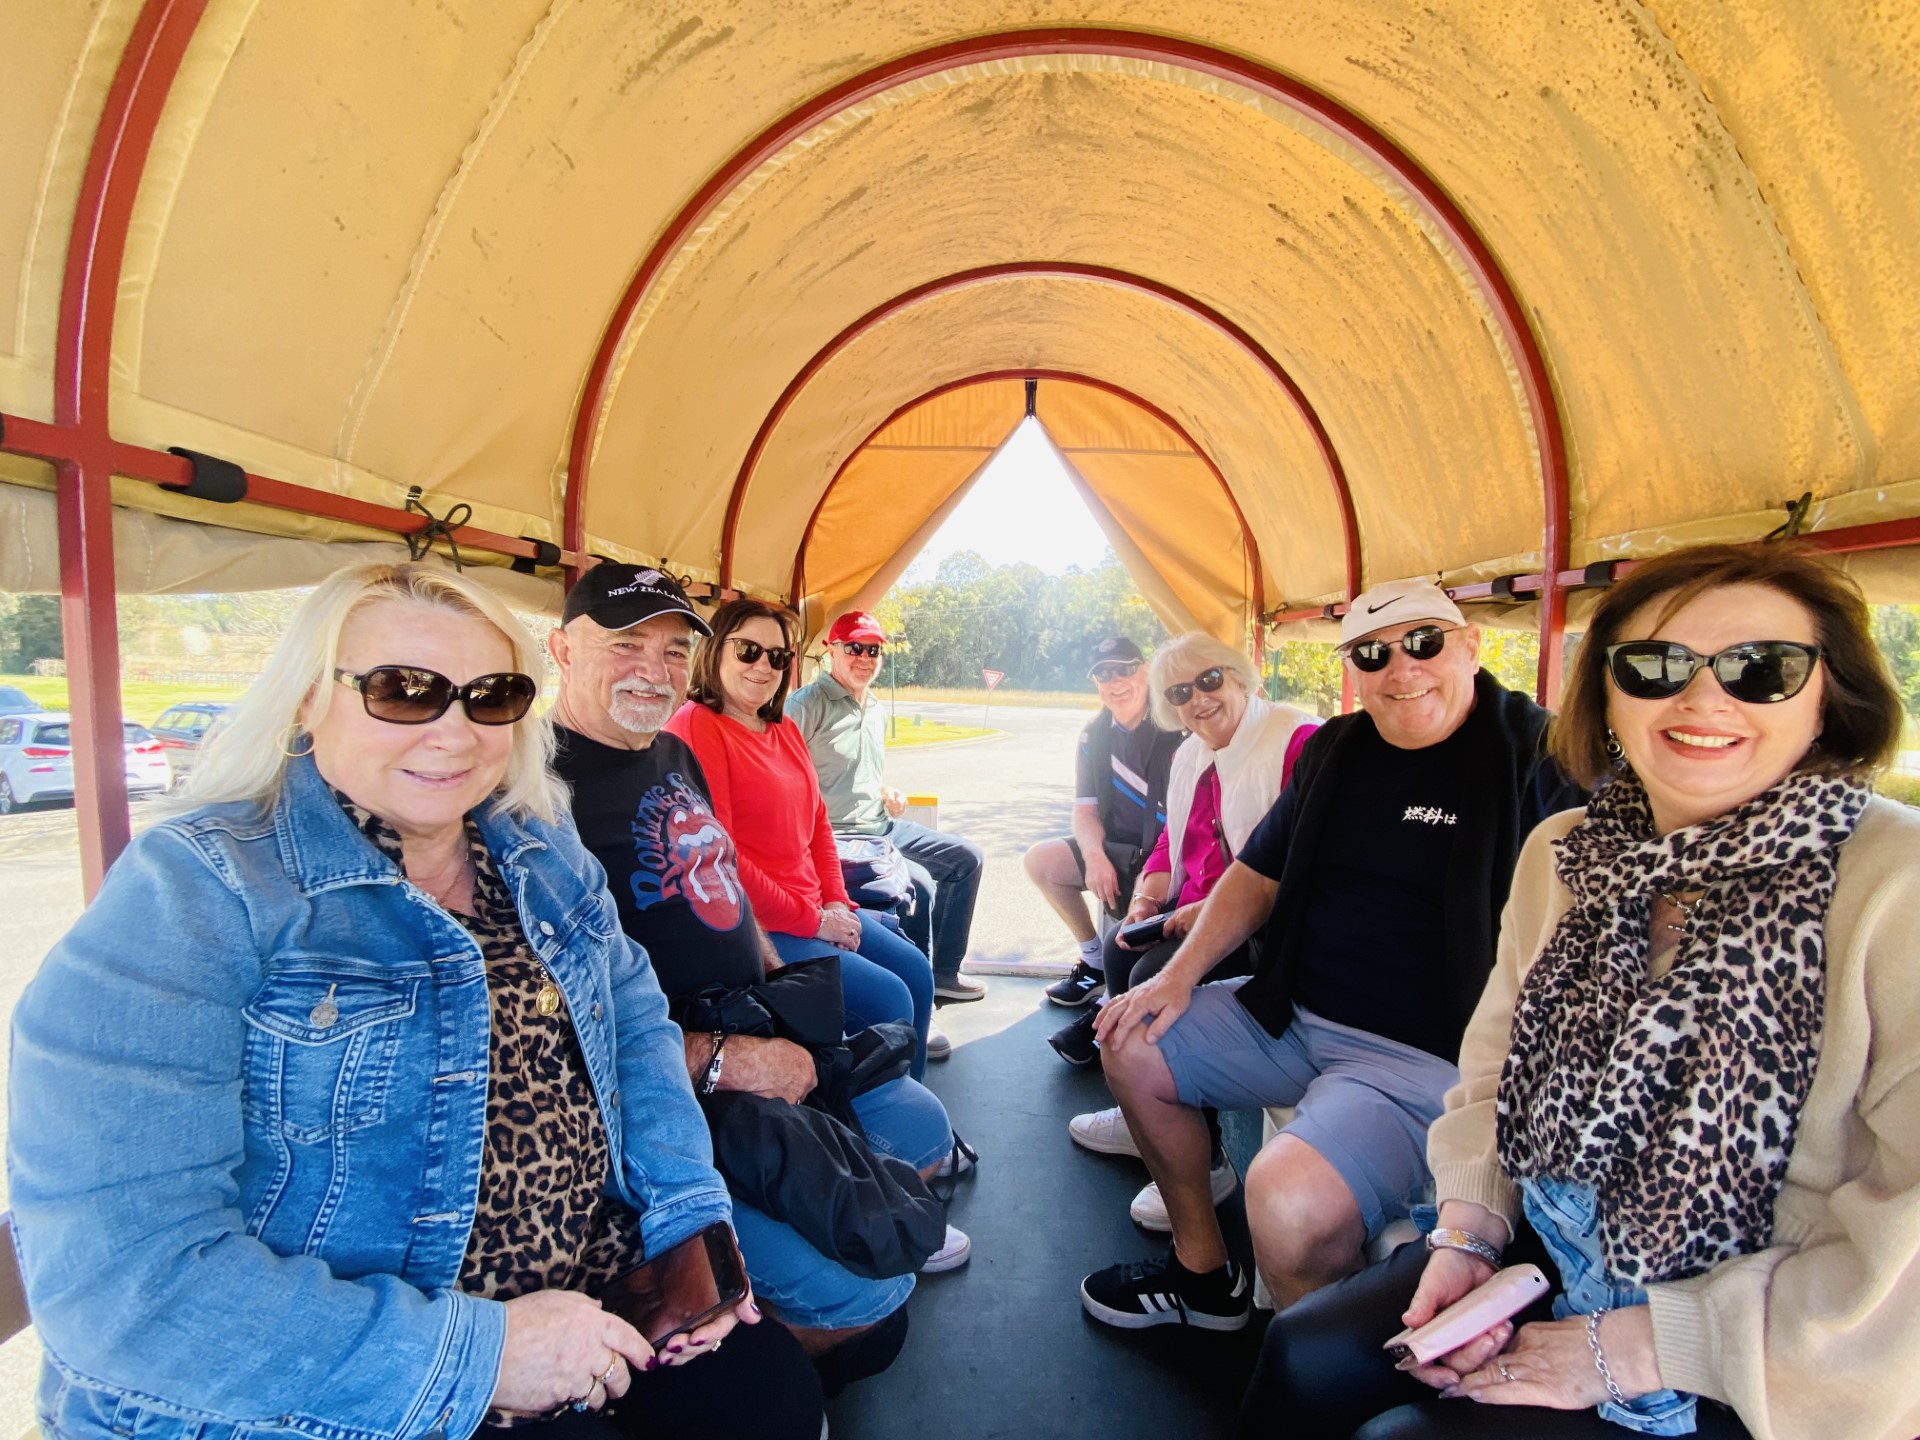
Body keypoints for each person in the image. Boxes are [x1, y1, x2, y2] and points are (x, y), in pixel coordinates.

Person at [7, 562, 823, 1440]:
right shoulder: (192, 899)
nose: (454, 731)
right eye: (404, 692)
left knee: (770, 1396)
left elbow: (631, 1024)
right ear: (310, 698)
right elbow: (124, 1289)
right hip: (345, 1384)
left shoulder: (537, 850)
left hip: (592, 1286)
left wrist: (684, 1217)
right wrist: (482, 1356)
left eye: (490, 694)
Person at [1243, 542, 1920, 1440]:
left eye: (1761, 669)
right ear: (1607, 694)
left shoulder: (1893, 885)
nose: (1703, 697)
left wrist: (1637, 1347)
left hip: (1771, 1325)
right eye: (1655, 665)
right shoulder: (1565, 853)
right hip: (1556, 1239)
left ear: (1830, 695)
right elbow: (1495, 1066)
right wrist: (1469, 1231)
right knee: (1300, 1360)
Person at [1080, 579, 1583, 1334]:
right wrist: (1177, 979)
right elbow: (1257, 872)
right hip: (1291, 1010)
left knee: (1288, 1202)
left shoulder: (1539, 756)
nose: (1401, 670)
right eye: (1374, 655)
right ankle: (1203, 1274)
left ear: (1470, 647)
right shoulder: (1341, 750)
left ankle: (1313, 1376)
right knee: (1127, 1034)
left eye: (1424, 644)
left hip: (1421, 1056)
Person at [547, 565, 970, 1382]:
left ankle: (815, 1249)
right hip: (665, 1074)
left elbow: (722, 878)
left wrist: (777, 980)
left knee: (921, 1129)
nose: (653, 667)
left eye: (672, 649)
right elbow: (556, 1015)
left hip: (748, 1009)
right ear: (562, 649)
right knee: (868, 1315)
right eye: (624, 643)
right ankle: (712, 1344)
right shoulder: (535, 787)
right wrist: (724, 1058)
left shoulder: (669, 750)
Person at [1054, 633, 1317, 1229]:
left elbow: (1306, 856)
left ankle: (1209, 1158)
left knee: (1149, 975)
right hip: (1195, 905)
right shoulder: (1191, 754)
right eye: (1180, 692)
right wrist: (1149, 892)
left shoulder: (1296, 740)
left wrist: (1205, 912)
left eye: (1210, 680)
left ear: (1242, 676)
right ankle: (1144, 1110)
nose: (1197, 700)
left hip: (1270, 921)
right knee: (1123, 946)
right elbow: (1176, 837)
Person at [663, 598, 940, 1078]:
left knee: (915, 970)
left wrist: (835, 902)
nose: (763, 665)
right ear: (714, 651)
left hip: (813, 910)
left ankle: (912, 1111)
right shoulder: (697, 726)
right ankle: (872, 1136)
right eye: (748, 650)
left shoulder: (782, 728)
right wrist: (813, 921)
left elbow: (817, 825)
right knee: (888, 996)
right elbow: (720, 857)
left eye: (777, 656)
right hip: (761, 927)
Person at [786, 609, 988, 1003]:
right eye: (854, 648)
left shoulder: (874, 708)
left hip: (882, 825)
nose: (864, 658)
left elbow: (854, 771)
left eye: (873, 650)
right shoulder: (807, 705)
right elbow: (787, 778)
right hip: (839, 835)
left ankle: (944, 973)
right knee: (920, 886)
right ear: (831, 651)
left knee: (967, 859)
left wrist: (885, 791)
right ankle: (917, 999)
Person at [1024, 635, 1182, 1007]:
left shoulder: (1178, 728)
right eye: (1104, 674)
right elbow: (1086, 811)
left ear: (1145, 670)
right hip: (1117, 848)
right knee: (1040, 861)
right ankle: (1094, 963)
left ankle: (1118, 989)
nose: (1115, 682)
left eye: (1125, 670)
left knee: (1135, 935)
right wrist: (1094, 856)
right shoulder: (1092, 736)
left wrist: (1150, 873)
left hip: (1168, 856)